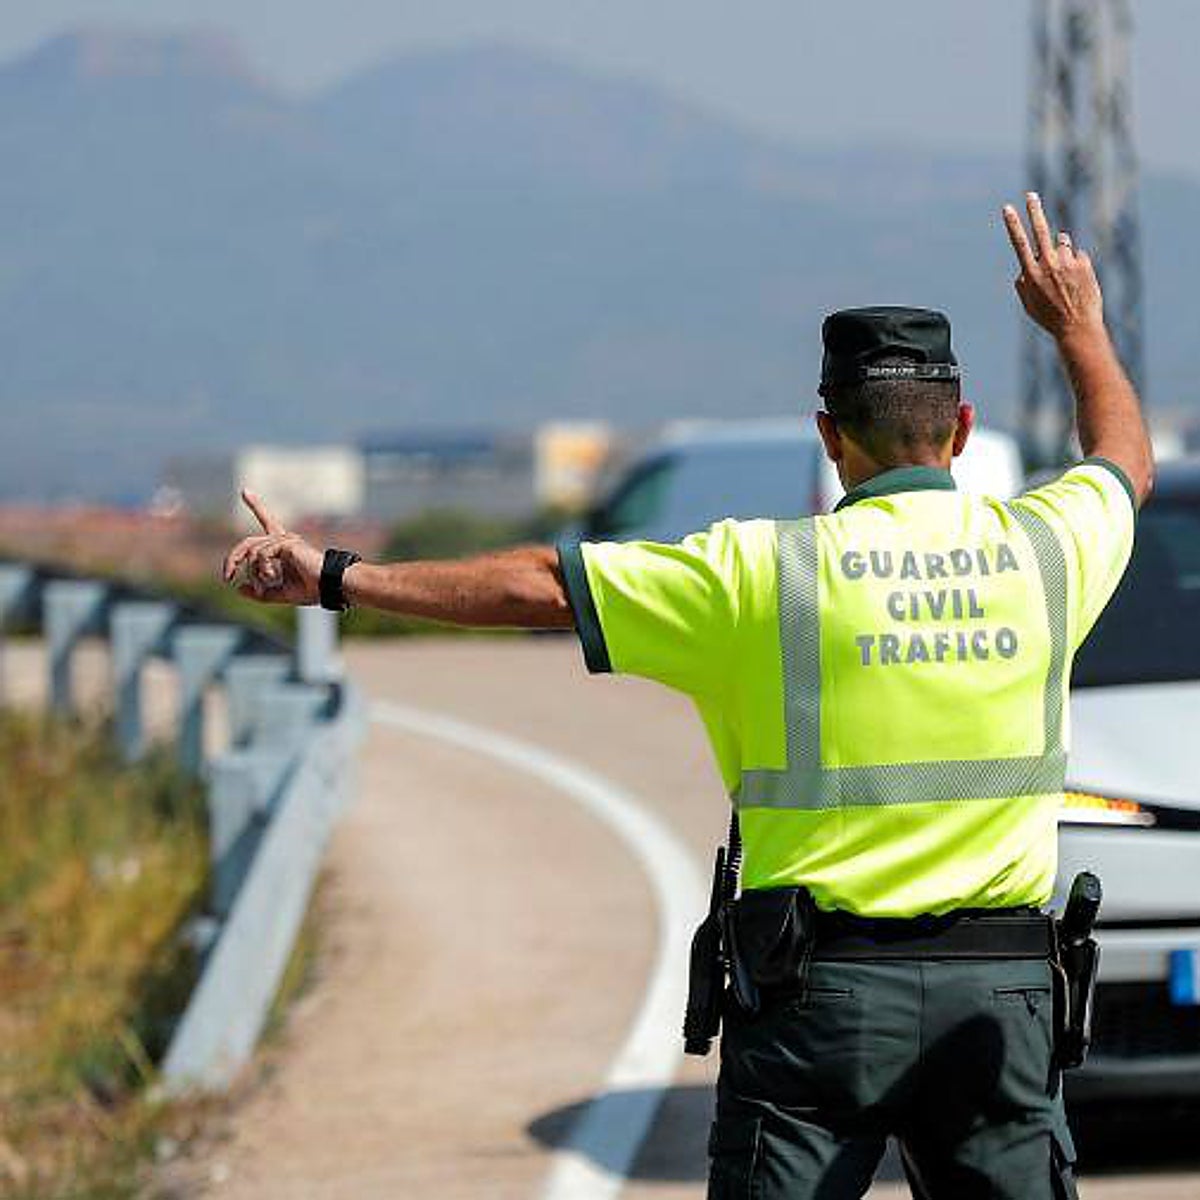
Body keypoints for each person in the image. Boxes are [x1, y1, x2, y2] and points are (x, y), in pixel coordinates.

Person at [222, 193, 1152, 1199]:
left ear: (828, 434)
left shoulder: (760, 573)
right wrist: (1079, 326)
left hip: (819, 1003)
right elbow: (1122, 462)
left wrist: (335, 577)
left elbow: (542, 585)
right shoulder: (1051, 550)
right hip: (1000, 999)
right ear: (962, 429)